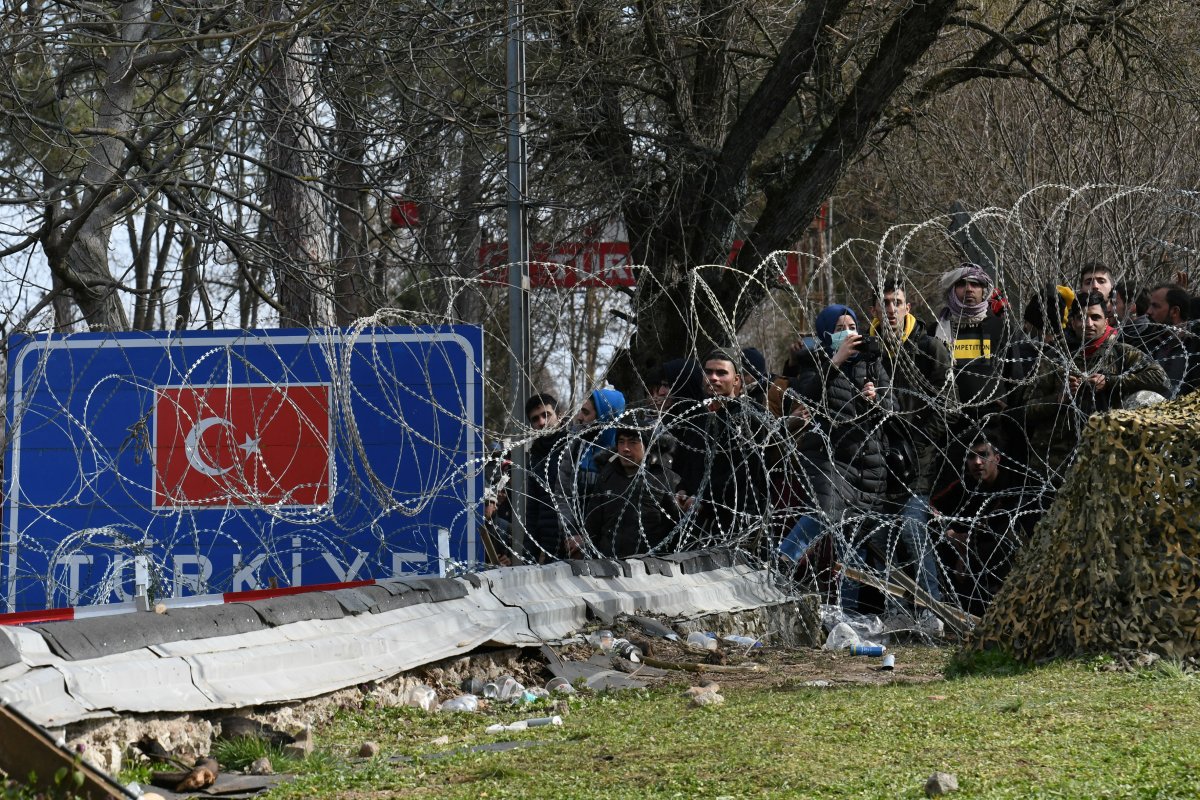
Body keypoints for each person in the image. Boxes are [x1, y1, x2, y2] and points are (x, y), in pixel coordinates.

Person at [779, 305, 897, 607]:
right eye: (841, 326)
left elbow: (893, 408)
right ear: (827, 334)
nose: (850, 332)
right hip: (832, 460)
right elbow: (806, 397)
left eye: (853, 325)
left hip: (868, 464)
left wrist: (876, 398)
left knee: (853, 546)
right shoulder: (814, 364)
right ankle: (780, 568)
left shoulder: (872, 363)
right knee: (822, 515)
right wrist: (835, 361)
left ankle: (848, 615)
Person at [867, 282, 955, 613]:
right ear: (874, 309)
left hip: (919, 457)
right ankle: (895, 612)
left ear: (908, 306)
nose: (891, 309)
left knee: (911, 528)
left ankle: (932, 608)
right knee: (879, 536)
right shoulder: (870, 349)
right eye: (885, 303)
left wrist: (915, 449)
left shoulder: (929, 348)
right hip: (879, 457)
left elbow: (946, 408)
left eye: (897, 302)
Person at [1020, 291, 1170, 485]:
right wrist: (1060, 398)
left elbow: (1161, 379)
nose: (1088, 324)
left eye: (1095, 317)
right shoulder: (1055, 358)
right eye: (1081, 318)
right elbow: (1026, 410)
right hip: (1055, 463)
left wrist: (1110, 382)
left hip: (1106, 460)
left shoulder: (1120, 353)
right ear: (1073, 322)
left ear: (1106, 321)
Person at [931, 431, 1041, 617]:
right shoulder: (965, 487)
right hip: (972, 558)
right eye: (971, 457)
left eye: (983, 455)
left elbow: (1011, 529)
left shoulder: (1014, 485)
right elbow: (932, 506)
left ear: (996, 458)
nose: (977, 462)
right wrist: (950, 534)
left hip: (1008, 557)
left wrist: (967, 550)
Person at [672, 348, 771, 550]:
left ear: (736, 380)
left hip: (736, 521)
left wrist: (703, 498)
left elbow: (743, 474)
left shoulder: (749, 417)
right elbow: (691, 464)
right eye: (708, 372)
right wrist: (682, 489)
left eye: (721, 373)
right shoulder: (698, 416)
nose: (713, 378)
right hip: (697, 523)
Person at [584, 413, 682, 558]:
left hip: (650, 567)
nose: (625, 449)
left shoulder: (664, 478)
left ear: (646, 446)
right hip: (609, 563)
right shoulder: (606, 477)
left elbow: (677, 525)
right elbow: (592, 524)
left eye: (633, 442)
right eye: (621, 442)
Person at [933, 263, 1025, 417]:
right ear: (953, 290)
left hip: (992, 421)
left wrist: (1007, 410)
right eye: (962, 284)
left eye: (975, 284)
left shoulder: (1000, 327)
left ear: (984, 290)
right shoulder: (939, 330)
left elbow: (1015, 376)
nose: (969, 289)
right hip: (950, 422)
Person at [555, 387, 626, 557]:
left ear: (605, 416)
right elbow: (562, 494)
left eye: (586, 412)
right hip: (571, 545)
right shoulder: (576, 448)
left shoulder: (622, 456)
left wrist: (587, 539)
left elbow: (619, 508)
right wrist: (571, 533)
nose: (580, 417)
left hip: (607, 550)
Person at [523, 393, 566, 562]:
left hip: (576, 541)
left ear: (559, 415)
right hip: (549, 544)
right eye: (535, 419)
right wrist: (529, 554)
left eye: (546, 415)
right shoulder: (535, 457)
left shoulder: (574, 446)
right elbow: (533, 508)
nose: (541, 422)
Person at [1139, 283, 1200, 398]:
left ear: (1174, 311)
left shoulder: (1196, 345)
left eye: (1155, 306)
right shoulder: (1145, 341)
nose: (1149, 311)